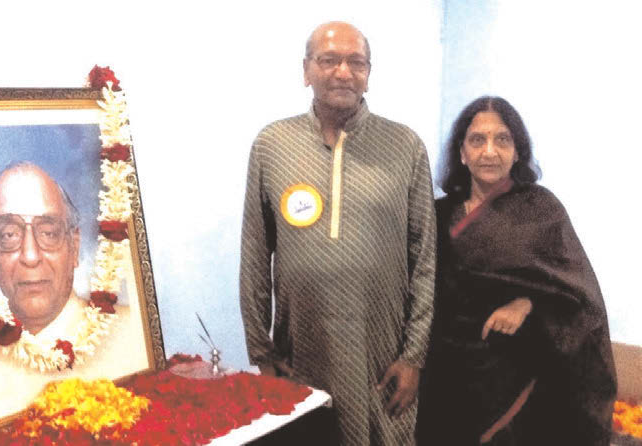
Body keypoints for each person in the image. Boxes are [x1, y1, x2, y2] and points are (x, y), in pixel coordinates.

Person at [240, 21, 436, 445]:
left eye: (356, 62)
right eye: (329, 60)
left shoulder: (405, 146)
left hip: (382, 358)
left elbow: (425, 261)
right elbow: (255, 254)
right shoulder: (273, 144)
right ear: (306, 70)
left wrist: (413, 357)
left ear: (369, 72)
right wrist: (263, 354)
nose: (343, 72)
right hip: (302, 353)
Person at [416, 96, 617, 445]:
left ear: (518, 151)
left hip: (518, 380)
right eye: (477, 140)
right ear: (461, 153)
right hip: (444, 374)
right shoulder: (439, 213)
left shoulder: (541, 209)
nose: (489, 151)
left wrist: (526, 304)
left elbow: (579, 297)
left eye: (502, 139)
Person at [0, 162, 149, 429]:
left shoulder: (136, 334)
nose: (30, 256)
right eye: (9, 235)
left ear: (74, 246)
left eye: (49, 233)